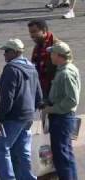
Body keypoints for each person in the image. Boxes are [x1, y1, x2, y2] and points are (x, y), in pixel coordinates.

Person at [0, 38, 42, 180]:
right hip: (28, 116)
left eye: (6, 51)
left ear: (15, 52)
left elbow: (7, 98)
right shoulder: (31, 67)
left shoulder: (11, 69)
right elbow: (38, 94)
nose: (4, 54)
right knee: (21, 151)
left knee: (2, 149)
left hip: (13, 117)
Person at [42, 41, 80, 180]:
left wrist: (51, 109)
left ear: (60, 55)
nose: (50, 55)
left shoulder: (66, 73)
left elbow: (72, 100)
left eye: (52, 53)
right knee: (66, 154)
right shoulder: (66, 69)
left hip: (62, 118)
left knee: (61, 156)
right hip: (62, 117)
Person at [28, 19, 60, 99]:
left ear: (44, 30)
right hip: (43, 90)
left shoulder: (57, 46)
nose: (32, 35)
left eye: (34, 31)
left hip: (56, 92)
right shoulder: (38, 46)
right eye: (30, 32)